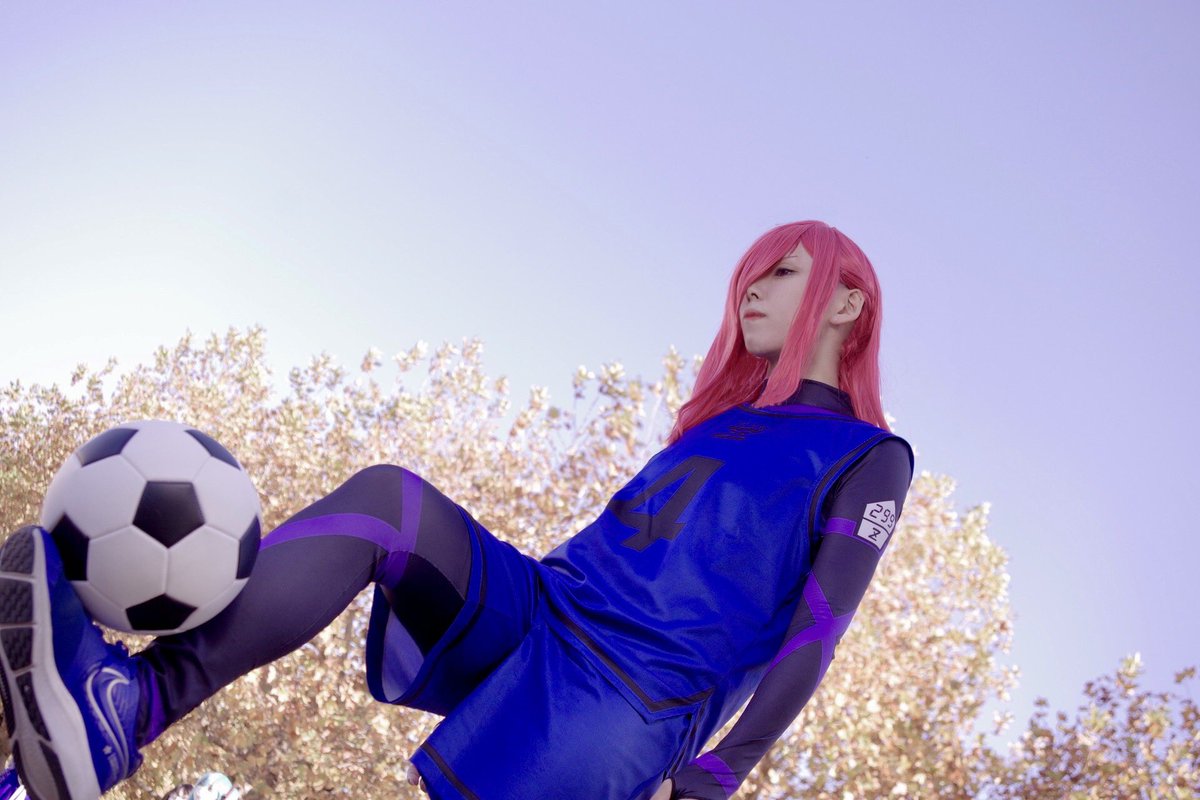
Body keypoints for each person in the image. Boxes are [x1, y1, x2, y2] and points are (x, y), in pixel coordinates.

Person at [0, 220, 914, 800]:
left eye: (782, 272)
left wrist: (720, 770)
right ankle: (125, 709)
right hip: (543, 608)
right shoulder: (717, 425)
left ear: (847, 301)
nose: (751, 289)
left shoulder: (870, 457)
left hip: (630, 698)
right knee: (387, 502)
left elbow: (818, 627)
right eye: (750, 275)